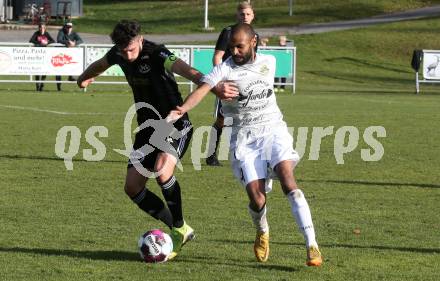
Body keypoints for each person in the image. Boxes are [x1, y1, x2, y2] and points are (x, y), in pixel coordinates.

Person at [77, 20, 237, 259]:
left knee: (162, 171)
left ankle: (180, 227)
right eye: (123, 51)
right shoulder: (118, 53)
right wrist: (83, 78)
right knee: (132, 187)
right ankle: (178, 227)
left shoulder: (158, 53)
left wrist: (215, 88)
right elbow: (99, 65)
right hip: (147, 128)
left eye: (131, 49)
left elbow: (187, 70)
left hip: (174, 122)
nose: (128, 55)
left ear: (140, 40)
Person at [167, 23, 323, 266]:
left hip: (273, 131)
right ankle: (262, 230)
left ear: (253, 42)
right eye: (231, 47)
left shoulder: (268, 62)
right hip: (244, 139)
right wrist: (183, 108)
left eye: (239, 46)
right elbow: (203, 88)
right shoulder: (224, 70)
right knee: (257, 199)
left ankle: (312, 245)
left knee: (289, 180)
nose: (235, 52)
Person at [206, 1, 258, 166]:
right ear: (237, 15)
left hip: (246, 84)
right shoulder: (228, 32)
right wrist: (221, 81)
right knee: (222, 121)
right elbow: (217, 57)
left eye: (248, 14)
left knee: (248, 119)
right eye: (242, 14)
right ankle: (211, 155)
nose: (245, 17)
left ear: (253, 15)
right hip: (228, 84)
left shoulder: (255, 35)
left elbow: (254, 61)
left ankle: (245, 155)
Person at [56, 22, 83, 90]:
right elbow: (59, 40)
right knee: (58, 71)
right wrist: (67, 43)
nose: (69, 29)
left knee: (72, 65)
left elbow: (81, 40)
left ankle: (70, 76)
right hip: (60, 54)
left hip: (69, 55)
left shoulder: (74, 33)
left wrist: (74, 43)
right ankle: (58, 87)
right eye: (67, 27)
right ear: (65, 27)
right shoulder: (61, 32)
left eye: (70, 27)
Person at [29, 23, 55, 91]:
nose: (42, 29)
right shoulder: (36, 33)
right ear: (39, 28)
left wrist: (47, 42)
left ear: (45, 28)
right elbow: (31, 40)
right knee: (37, 70)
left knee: (45, 70)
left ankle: (42, 84)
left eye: (43, 27)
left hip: (45, 55)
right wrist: (39, 42)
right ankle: (37, 85)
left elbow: (53, 41)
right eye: (41, 27)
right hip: (37, 55)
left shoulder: (46, 34)